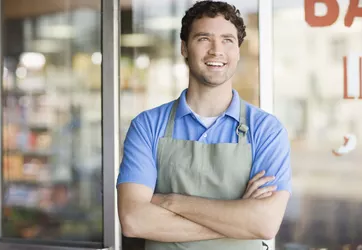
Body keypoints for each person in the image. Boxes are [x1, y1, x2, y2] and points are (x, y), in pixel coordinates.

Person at [117, 1, 291, 249]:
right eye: (203, 39)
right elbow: (134, 220)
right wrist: (238, 220)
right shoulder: (147, 126)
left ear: (238, 51)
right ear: (184, 48)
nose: (216, 50)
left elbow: (264, 224)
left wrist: (170, 202)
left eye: (227, 40)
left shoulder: (266, 130)